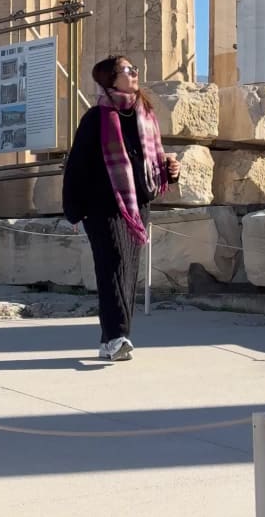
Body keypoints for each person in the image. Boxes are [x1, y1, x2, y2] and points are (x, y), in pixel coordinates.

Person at [63, 55, 180, 362]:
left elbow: (149, 163)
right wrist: (75, 210)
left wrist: (170, 171)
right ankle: (118, 336)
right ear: (109, 79)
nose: (135, 73)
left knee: (127, 273)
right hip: (102, 207)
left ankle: (109, 339)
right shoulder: (95, 119)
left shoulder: (145, 115)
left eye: (135, 69)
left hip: (137, 206)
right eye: (128, 70)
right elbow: (76, 166)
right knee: (113, 267)